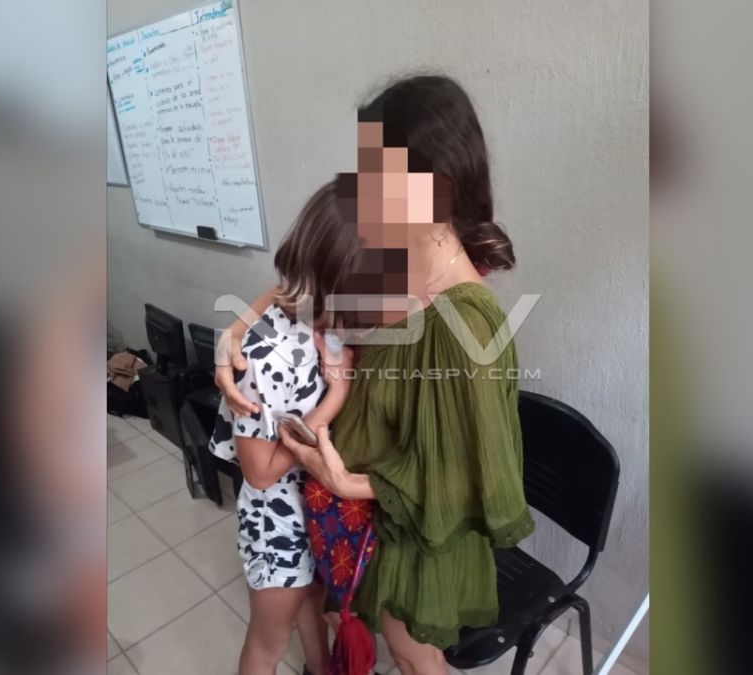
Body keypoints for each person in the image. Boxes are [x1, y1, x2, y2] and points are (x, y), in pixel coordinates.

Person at [219, 75, 534, 675]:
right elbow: (306, 282)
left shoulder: (464, 325)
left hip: (420, 540)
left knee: (416, 659)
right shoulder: (405, 267)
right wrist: (239, 328)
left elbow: (475, 481)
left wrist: (343, 480)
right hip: (379, 530)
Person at [209, 182, 360, 675]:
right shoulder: (266, 355)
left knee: (312, 602)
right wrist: (335, 397)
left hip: (312, 502)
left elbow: (283, 290)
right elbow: (259, 472)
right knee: (268, 642)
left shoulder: (315, 315)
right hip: (277, 519)